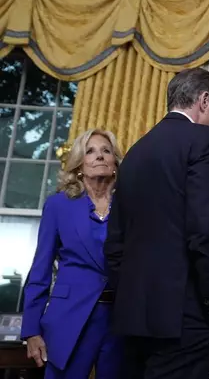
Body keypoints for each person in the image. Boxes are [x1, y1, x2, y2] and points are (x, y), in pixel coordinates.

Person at [104, 68, 209, 379]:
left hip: (134, 316)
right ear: (203, 100)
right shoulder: (205, 139)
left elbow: (115, 243)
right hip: (185, 316)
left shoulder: (135, 152)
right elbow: (205, 232)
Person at [21, 129, 123, 379]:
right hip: (70, 319)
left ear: (115, 164)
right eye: (90, 151)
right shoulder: (58, 205)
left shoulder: (130, 204)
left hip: (122, 320)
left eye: (106, 151)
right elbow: (40, 269)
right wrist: (31, 329)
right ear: (79, 164)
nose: (99, 156)